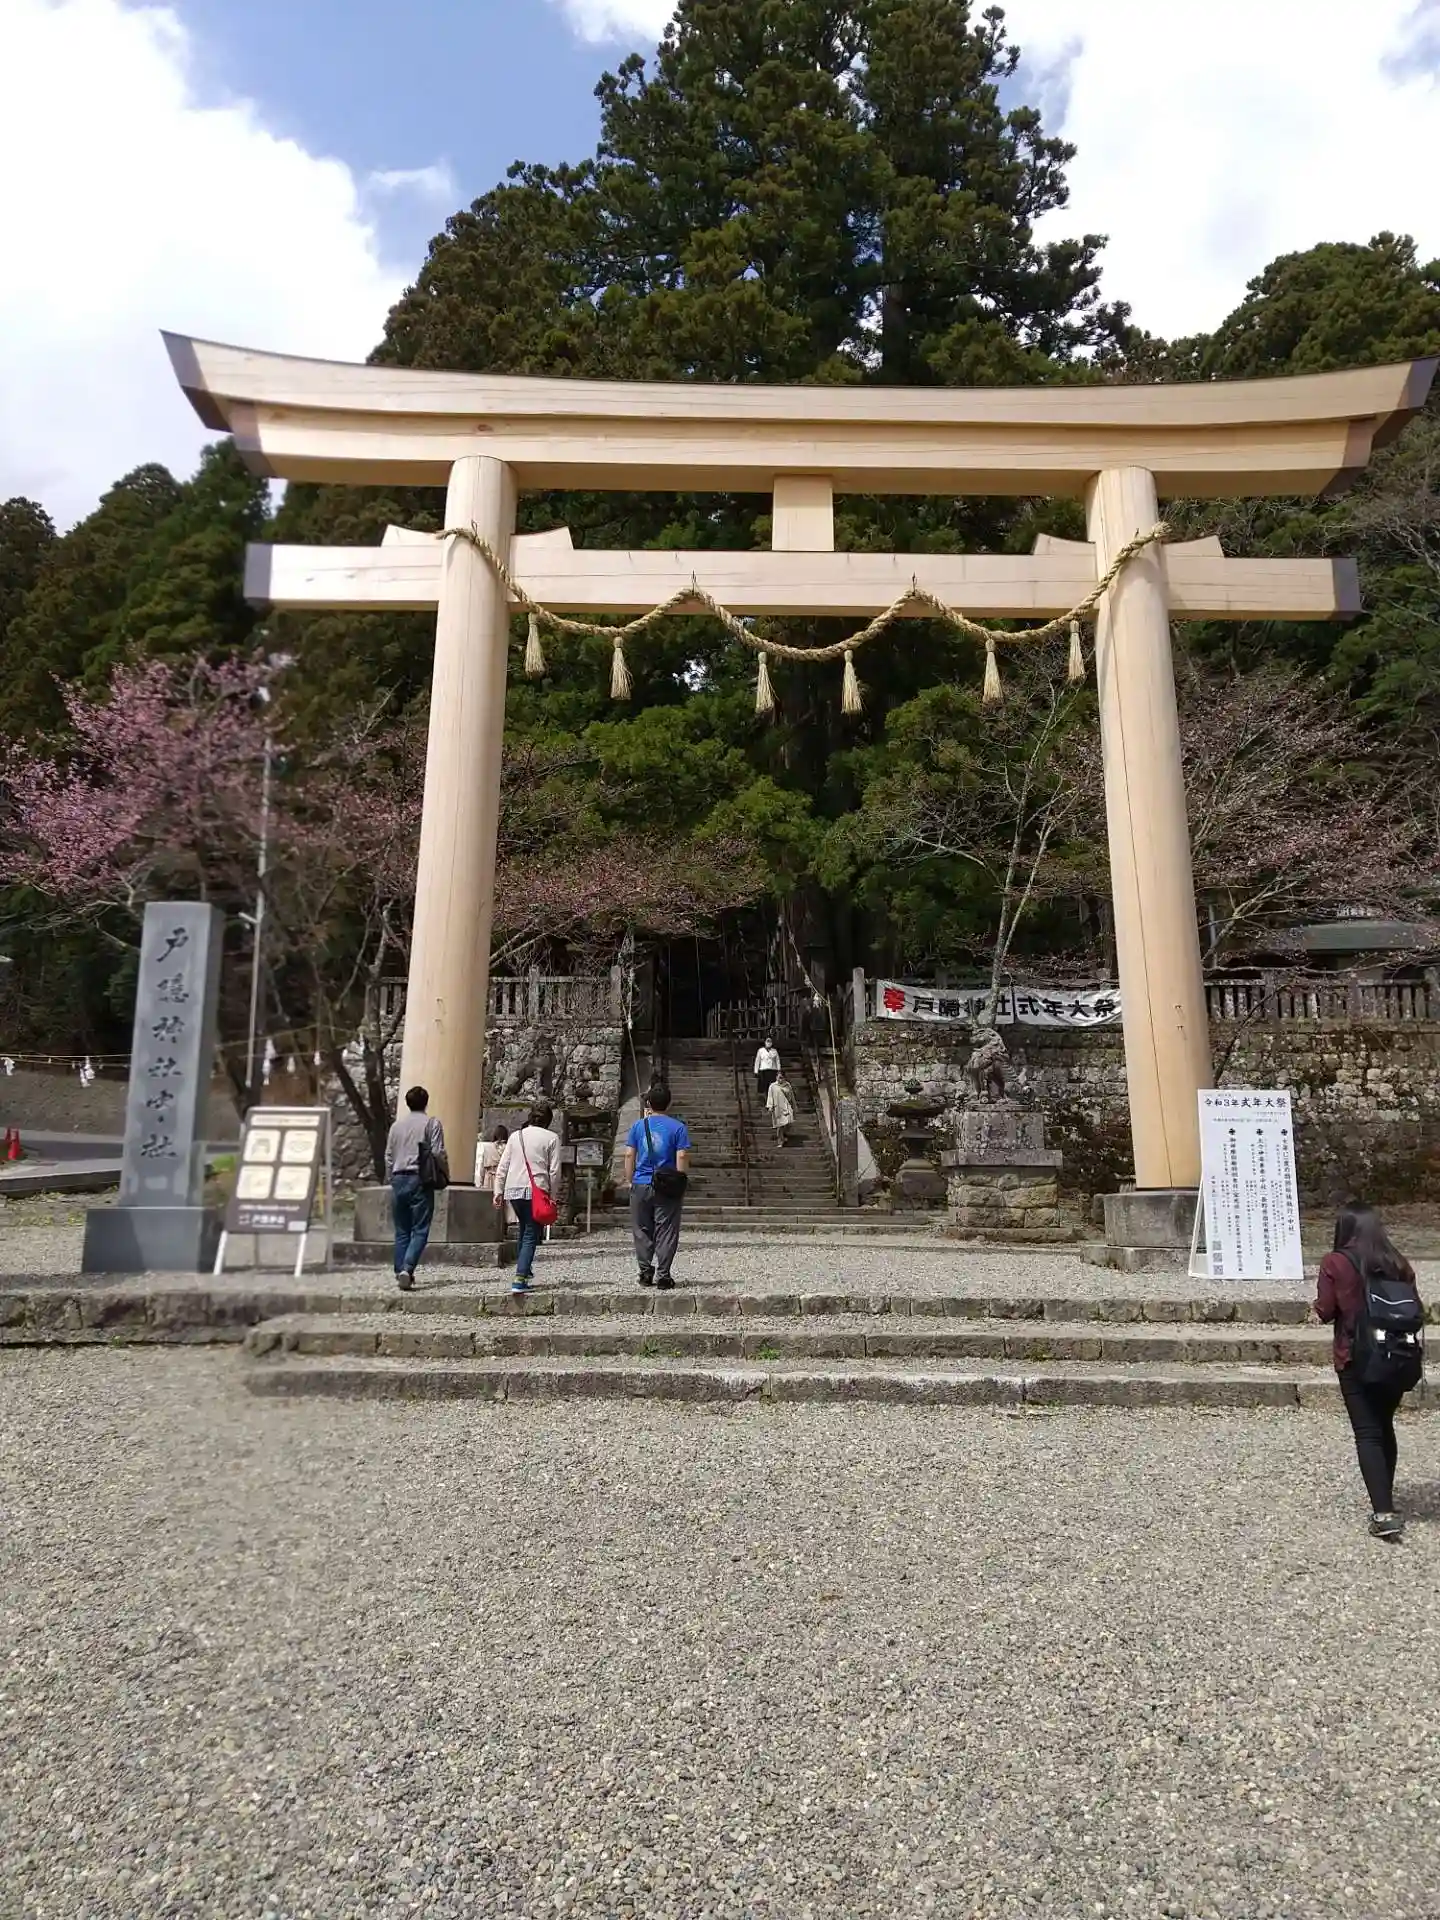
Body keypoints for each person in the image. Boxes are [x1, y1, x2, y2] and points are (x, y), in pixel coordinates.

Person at [1315, 1201, 1425, 1541]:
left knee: (1367, 1432)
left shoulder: (1336, 1262)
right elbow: (1416, 1309)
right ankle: (1385, 1499)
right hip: (1396, 1356)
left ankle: (1383, 1513)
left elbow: (1325, 1310)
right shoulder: (1397, 1262)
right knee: (1384, 1425)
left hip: (1355, 1356)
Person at [624, 1082, 691, 1290]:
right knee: (667, 1229)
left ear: (649, 1103)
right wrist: (681, 1179)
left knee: (642, 1229)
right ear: (669, 1104)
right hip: (667, 1184)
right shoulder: (678, 1127)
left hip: (641, 1182)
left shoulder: (638, 1126)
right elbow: (682, 1155)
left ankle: (645, 1272)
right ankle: (663, 1275)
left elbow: (629, 1154)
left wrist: (630, 1179)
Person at [492, 1102, 561, 1295]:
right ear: (548, 1120)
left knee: (524, 1228)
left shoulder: (516, 1136)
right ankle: (520, 1277)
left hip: (513, 1189)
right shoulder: (551, 1138)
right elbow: (554, 1171)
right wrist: (553, 1196)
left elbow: (503, 1166)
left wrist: (498, 1191)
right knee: (531, 1232)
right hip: (537, 1190)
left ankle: (525, 1268)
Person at [384, 1086, 448, 1292]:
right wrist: (444, 1172)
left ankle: (399, 1269)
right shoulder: (432, 1123)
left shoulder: (396, 1126)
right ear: (426, 1102)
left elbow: (388, 1156)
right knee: (420, 1229)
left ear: (407, 1103)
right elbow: (438, 1152)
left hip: (398, 1177)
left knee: (402, 1229)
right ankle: (408, 1268)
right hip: (420, 1178)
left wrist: (391, 1178)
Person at [476, 1124, 511, 1220]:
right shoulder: (508, 1148)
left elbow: (481, 1167)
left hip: (489, 1178)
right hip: (504, 1179)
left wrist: (480, 1183)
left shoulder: (487, 1147)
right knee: (503, 1206)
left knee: (489, 1205)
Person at [766, 1072, 795, 1147]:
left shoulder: (787, 1085)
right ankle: (780, 1141)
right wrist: (770, 1106)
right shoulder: (773, 1086)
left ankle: (784, 1135)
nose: (780, 1079)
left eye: (782, 1078)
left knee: (788, 1122)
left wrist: (794, 1106)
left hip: (787, 1106)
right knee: (779, 1125)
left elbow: (791, 1096)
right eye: (779, 1077)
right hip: (777, 1107)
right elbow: (770, 1096)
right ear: (776, 1077)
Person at [753, 1035, 781, 1103]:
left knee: (772, 1085)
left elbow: (777, 1061)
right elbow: (757, 1061)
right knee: (764, 1085)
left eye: (770, 1041)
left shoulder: (774, 1051)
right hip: (763, 1070)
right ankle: (765, 1099)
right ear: (765, 1042)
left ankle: (772, 1099)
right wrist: (756, 1071)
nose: (769, 1043)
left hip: (772, 1070)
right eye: (767, 1041)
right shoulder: (761, 1051)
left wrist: (779, 1070)